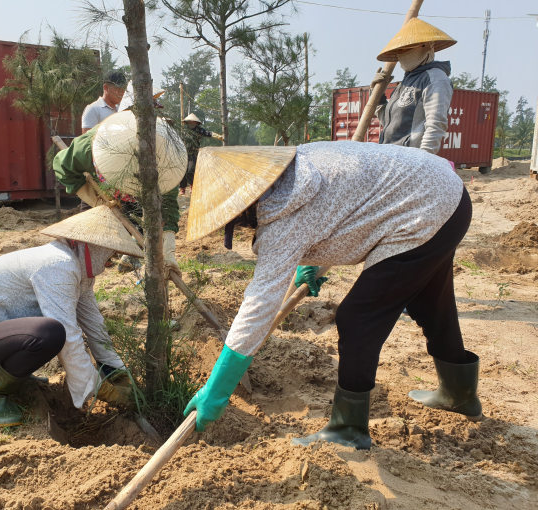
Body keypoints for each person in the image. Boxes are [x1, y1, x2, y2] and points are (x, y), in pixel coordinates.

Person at [183, 141, 480, 450]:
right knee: (431, 303)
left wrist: (216, 391)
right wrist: (310, 264)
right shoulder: (297, 169)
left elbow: (260, 304)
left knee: (358, 318)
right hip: (443, 195)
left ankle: (348, 428)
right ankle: (460, 395)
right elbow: (344, 217)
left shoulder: (284, 213)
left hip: (424, 207)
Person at [0, 206, 142, 427]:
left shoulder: (78, 268)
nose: (110, 262)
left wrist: (117, 369)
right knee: (50, 333)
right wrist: (101, 388)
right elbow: (69, 336)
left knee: (48, 333)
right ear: (92, 247)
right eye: (110, 254)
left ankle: (12, 373)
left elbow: (93, 324)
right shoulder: (58, 264)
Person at [54, 110, 185, 279]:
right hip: (104, 189)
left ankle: (130, 255)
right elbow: (63, 168)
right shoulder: (89, 146)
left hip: (140, 194)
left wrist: (167, 252)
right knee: (97, 236)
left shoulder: (169, 164)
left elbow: (167, 210)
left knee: (139, 222)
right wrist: (96, 199)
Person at [371, 18, 456, 155]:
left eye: (407, 48)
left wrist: (423, 161)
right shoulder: (405, 82)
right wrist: (377, 96)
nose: (402, 53)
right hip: (389, 157)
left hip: (411, 160)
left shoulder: (436, 79)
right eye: (401, 49)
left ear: (426, 46)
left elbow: (435, 125)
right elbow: (390, 123)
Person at [179, 113, 223, 195]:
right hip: (184, 154)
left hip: (194, 154)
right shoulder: (184, 131)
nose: (191, 123)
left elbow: (209, 133)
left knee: (190, 170)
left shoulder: (200, 130)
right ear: (187, 122)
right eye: (190, 122)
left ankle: (192, 186)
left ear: (196, 123)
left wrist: (219, 137)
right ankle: (182, 189)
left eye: (193, 122)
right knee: (182, 171)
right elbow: (180, 141)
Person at [81, 70, 127, 135]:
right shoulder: (93, 109)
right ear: (106, 87)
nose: (121, 93)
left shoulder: (121, 110)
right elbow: (86, 140)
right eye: (118, 89)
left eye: (123, 89)